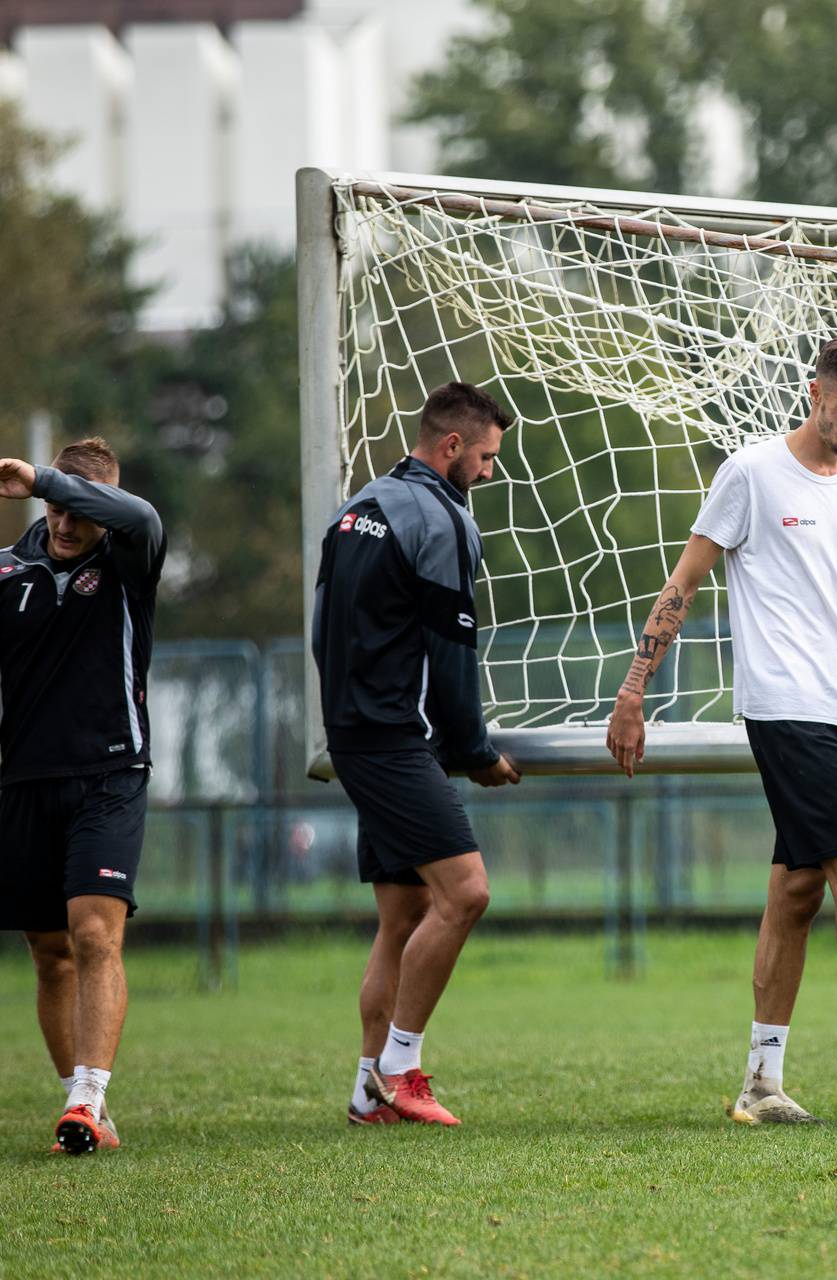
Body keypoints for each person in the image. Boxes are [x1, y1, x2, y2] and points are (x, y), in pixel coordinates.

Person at [607, 335, 837, 1125]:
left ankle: (760, 1084)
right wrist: (633, 690)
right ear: (815, 393)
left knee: (798, 887)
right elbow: (683, 582)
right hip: (784, 709)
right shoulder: (749, 473)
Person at [0, 437, 165, 1155]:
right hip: (26, 781)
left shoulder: (129, 559)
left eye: (78, 511)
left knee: (93, 934)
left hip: (112, 774)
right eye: (54, 508)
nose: (63, 523)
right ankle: (84, 1107)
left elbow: (139, 514)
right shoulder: (1, 571)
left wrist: (43, 478)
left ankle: (87, 1101)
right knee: (49, 951)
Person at [314, 381, 522, 1128]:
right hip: (394, 739)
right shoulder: (442, 519)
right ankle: (400, 1068)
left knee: (403, 911)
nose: (491, 473)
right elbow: (451, 650)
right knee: (466, 893)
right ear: (451, 447)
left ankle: (365, 1093)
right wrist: (474, 751)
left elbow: (321, 632)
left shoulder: (357, 508)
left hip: (354, 730)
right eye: (488, 458)